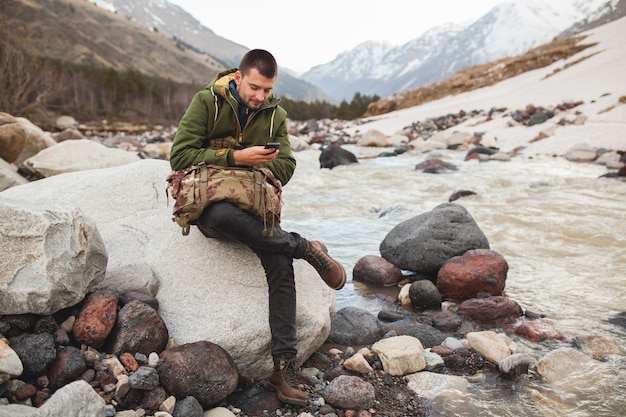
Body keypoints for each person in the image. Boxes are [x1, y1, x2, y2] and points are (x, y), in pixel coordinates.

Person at [169, 49, 346, 406]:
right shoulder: (207, 102)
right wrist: (235, 158)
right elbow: (180, 155)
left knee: (278, 259)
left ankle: (283, 365)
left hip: (256, 207)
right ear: (238, 77)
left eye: (267, 90)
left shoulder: (275, 114)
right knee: (220, 217)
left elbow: (287, 166)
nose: (260, 97)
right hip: (212, 206)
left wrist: (259, 167)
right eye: (254, 88)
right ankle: (305, 248)